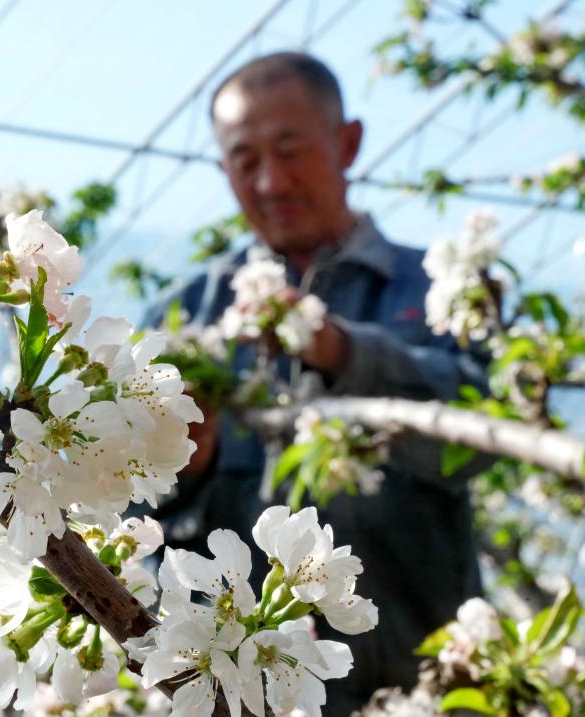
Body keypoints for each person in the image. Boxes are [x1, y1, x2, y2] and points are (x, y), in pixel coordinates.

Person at [142, 52, 489, 715]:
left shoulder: (440, 290)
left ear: (348, 143)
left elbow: (484, 441)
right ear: (223, 170)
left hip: (428, 685)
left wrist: (344, 350)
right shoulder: (182, 320)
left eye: (291, 149)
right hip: (245, 695)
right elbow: (129, 518)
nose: (270, 180)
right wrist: (182, 470)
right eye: (244, 159)